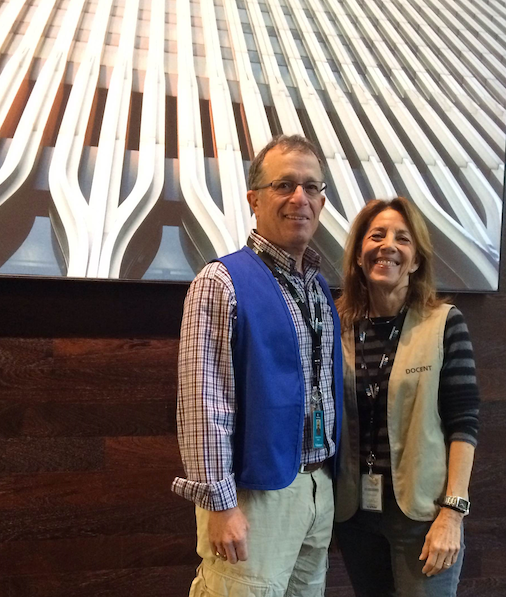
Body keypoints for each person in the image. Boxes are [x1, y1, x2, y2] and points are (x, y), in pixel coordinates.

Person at [173, 134, 343, 596]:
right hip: (254, 498)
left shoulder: (319, 289)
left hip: (316, 489)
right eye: (284, 185)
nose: (299, 198)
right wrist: (221, 506)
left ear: (322, 201)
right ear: (254, 198)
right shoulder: (221, 281)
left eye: (311, 187)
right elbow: (203, 403)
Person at [334, 197, 480, 597]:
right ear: (359, 256)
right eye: (376, 235)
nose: (388, 245)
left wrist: (453, 511)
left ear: (415, 260)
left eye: (402, 238)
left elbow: (464, 421)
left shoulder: (444, 322)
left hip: (424, 516)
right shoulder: (336, 326)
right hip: (354, 515)